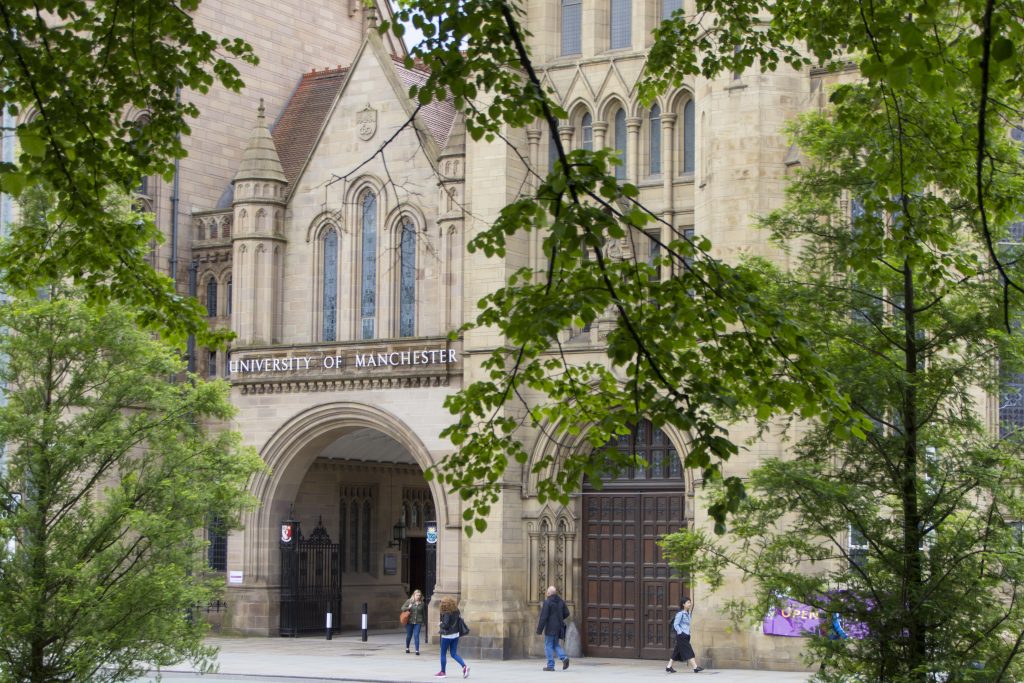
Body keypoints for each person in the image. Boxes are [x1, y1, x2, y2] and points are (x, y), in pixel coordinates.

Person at [536, 585, 571, 671]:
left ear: (549, 593)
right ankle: (564, 658)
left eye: (547, 592)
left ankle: (550, 665)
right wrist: (559, 618)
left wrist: (539, 629)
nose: (546, 593)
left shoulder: (547, 602)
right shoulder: (560, 601)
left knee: (548, 645)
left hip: (550, 628)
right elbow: (567, 613)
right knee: (555, 644)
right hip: (559, 627)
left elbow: (543, 617)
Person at [665, 597, 704, 673]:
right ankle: (695, 667)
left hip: (686, 635)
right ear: (683, 604)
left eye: (690, 602)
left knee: (676, 652)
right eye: (688, 602)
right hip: (682, 636)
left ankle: (668, 666)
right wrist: (680, 632)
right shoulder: (680, 614)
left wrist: (688, 633)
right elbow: (676, 624)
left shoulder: (688, 613)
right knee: (689, 651)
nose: (690, 604)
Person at [436, 596, 470, 679]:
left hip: (447, 635)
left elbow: (446, 625)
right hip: (455, 635)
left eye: (442, 603)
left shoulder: (447, 613)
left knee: (443, 653)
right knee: (453, 653)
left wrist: (440, 624)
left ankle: (443, 672)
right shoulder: (456, 611)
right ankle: (464, 666)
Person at [401, 589, 426, 655]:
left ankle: (417, 650)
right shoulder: (409, 601)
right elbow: (402, 608)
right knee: (409, 635)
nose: (418, 596)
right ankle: (407, 648)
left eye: (419, 595)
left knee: (416, 635)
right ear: (414, 595)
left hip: (418, 622)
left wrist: (424, 621)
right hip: (409, 621)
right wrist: (408, 607)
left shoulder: (422, 603)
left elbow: (423, 613)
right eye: (417, 595)